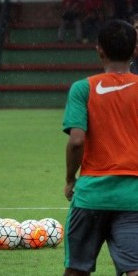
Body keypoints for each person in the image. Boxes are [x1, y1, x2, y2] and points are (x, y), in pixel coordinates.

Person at [62, 19, 138, 276]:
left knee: (76, 270)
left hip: (91, 195)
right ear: (135, 50)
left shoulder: (83, 88)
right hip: (132, 196)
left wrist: (70, 179)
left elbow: (76, 141)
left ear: (99, 49)